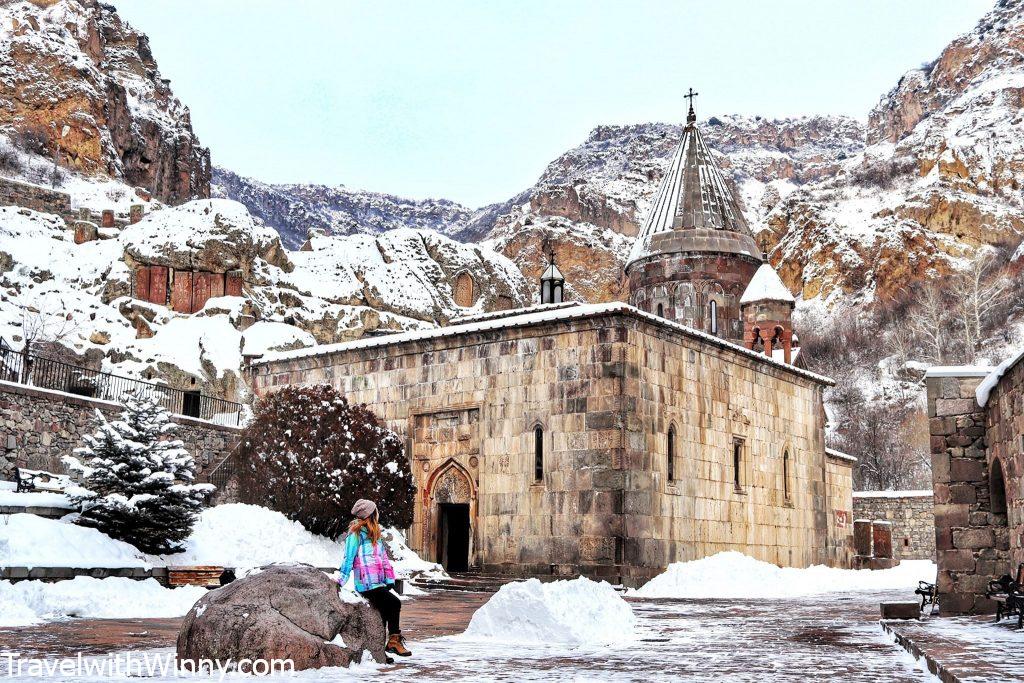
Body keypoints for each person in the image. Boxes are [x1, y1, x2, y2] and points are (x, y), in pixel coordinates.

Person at [338, 498, 412, 658]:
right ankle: (394, 641)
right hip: (365, 584)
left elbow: (384, 559)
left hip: (378, 583)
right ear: (371, 515)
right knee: (394, 603)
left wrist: (390, 579)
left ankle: (381, 653)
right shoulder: (355, 535)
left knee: (385, 613)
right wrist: (340, 581)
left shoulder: (375, 535)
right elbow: (348, 559)